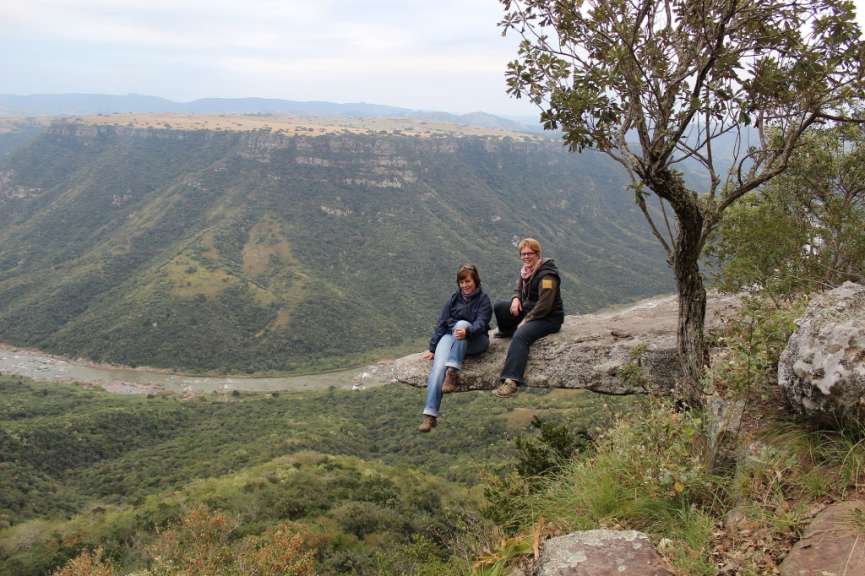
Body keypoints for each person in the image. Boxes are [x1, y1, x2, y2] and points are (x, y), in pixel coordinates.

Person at [418, 264, 492, 432]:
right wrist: (432, 348)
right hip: (451, 336)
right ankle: (430, 415)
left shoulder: (483, 300)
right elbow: (441, 323)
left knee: (463, 323)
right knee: (437, 368)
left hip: (476, 340)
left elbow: (481, 323)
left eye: (468, 281)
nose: (465, 285)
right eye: (461, 282)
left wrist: (467, 331)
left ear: (475, 281)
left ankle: (452, 372)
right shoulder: (454, 298)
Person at [492, 238, 564, 398]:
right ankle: (507, 330)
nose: (525, 257)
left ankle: (511, 381)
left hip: (548, 318)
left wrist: (526, 320)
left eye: (529, 253)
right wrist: (516, 298)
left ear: (537, 254)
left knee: (521, 336)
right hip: (530, 311)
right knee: (500, 306)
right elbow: (518, 289)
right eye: (522, 254)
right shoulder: (526, 271)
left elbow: (545, 305)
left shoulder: (547, 276)